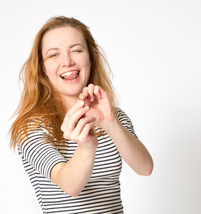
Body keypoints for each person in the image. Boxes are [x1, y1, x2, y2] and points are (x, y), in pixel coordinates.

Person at [9, 16, 153, 214]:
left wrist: (110, 122)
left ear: (91, 57)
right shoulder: (31, 128)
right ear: (43, 68)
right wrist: (86, 146)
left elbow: (145, 168)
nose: (67, 61)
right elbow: (70, 185)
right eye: (53, 55)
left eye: (76, 50)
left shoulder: (114, 116)